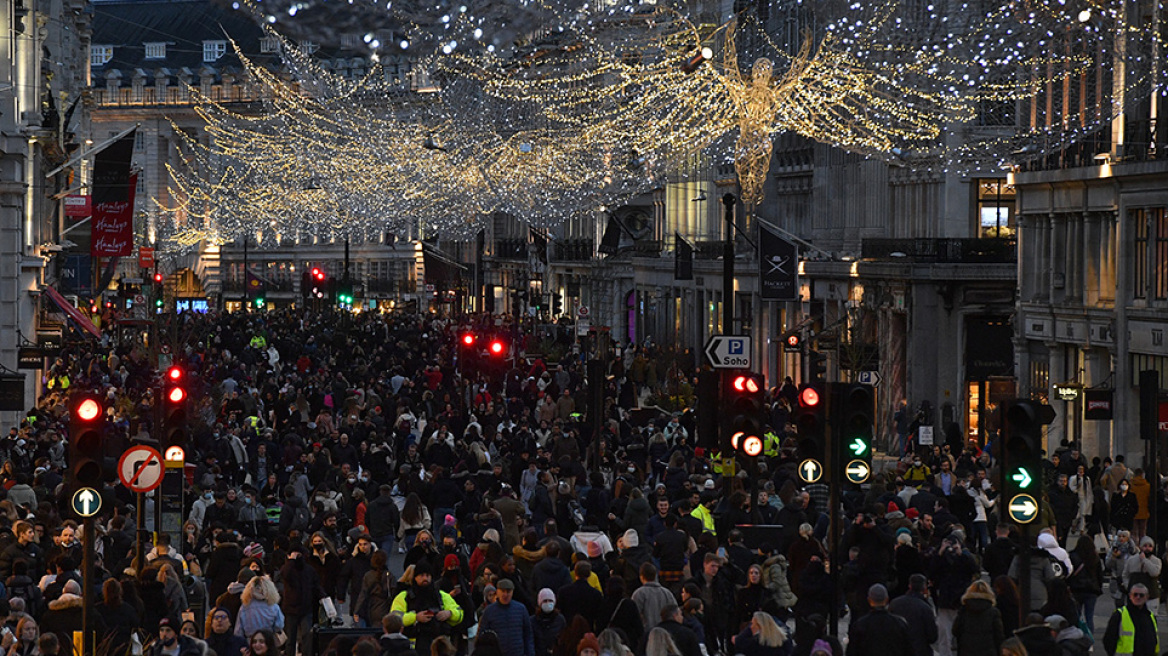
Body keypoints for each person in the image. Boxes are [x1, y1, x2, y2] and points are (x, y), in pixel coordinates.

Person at [389, 560, 464, 656]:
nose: (425, 578)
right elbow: (394, 619)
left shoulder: (441, 595)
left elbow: (460, 613)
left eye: (428, 575)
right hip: (413, 649)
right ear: (415, 578)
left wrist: (449, 613)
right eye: (421, 575)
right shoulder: (404, 596)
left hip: (439, 649)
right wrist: (415, 617)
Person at [845, 584, 913, 656]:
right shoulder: (900, 624)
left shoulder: (860, 625)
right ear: (887, 599)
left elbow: (852, 651)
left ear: (869, 600)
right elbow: (908, 650)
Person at [478, 578, 534, 656]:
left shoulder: (521, 609)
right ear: (497, 592)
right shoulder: (489, 611)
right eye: (502, 591)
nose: (505, 595)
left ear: (512, 592)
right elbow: (482, 636)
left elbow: (528, 634)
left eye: (508, 591)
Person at [1103, 583, 1159, 656]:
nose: (1138, 597)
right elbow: (1108, 640)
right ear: (1130, 596)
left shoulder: (1150, 616)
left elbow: (1154, 639)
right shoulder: (1119, 615)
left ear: (1147, 597)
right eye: (1135, 595)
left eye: (1141, 595)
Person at [888, 574, 937, 656]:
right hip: (920, 650)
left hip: (898, 649)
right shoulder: (925, 607)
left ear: (909, 586)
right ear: (924, 587)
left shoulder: (894, 604)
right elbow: (932, 637)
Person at [952, 580, 1005, 656]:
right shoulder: (993, 612)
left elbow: (955, 630)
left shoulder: (964, 611)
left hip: (966, 651)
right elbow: (999, 636)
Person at [631, 563, 676, 632]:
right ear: (655, 575)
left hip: (646, 632)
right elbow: (675, 612)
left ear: (641, 577)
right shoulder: (667, 593)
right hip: (665, 632)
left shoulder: (639, 593)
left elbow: (634, 615)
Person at [533, 589, 566, 656]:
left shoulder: (560, 620)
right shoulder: (532, 621)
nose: (548, 603)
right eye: (545, 601)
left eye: (550, 601)